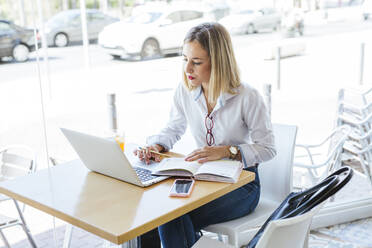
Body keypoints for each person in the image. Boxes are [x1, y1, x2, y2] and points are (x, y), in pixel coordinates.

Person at [134, 22, 276, 248]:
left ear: (218, 62)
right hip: (203, 181)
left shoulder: (248, 96)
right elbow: (174, 127)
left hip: (242, 185)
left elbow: (268, 149)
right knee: (154, 216)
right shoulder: (185, 90)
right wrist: (156, 146)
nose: (187, 69)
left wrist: (227, 151)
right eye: (185, 59)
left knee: (170, 219)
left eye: (196, 62)